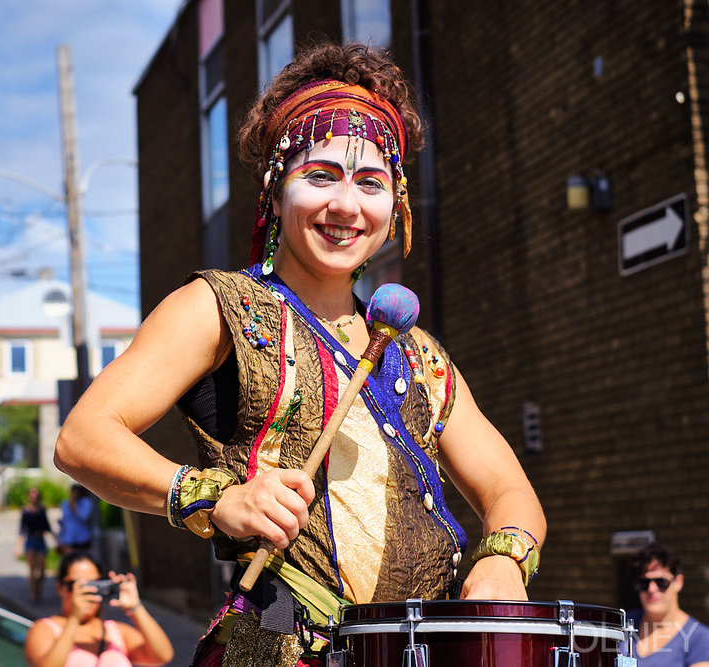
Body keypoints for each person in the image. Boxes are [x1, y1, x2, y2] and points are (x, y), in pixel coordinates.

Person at [54, 41, 546, 664]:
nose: (346, 206)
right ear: (274, 188)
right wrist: (218, 498)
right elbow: (83, 438)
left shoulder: (417, 353)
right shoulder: (218, 306)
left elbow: (508, 486)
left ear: (395, 207)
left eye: (371, 183)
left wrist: (503, 559)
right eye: (320, 176)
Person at [23, 551, 174, 667]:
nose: (87, 592)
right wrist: (74, 618)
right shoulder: (44, 629)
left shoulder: (114, 631)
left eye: (94, 584)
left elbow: (162, 655)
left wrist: (135, 607)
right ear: (60, 587)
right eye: (77, 585)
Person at [627, 543, 709, 665]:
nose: (652, 589)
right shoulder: (622, 623)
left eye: (661, 582)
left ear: (678, 582)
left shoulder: (700, 638)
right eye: (644, 583)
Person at [20, 487, 55, 603]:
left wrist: (56, 540)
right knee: (32, 570)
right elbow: (22, 529)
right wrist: (18, 546)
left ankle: (38, 591)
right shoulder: (26, 511)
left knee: (41, 571)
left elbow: (47, 526)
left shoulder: (42, 510)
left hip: (40, 540)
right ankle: (33, 594)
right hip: (30, 540)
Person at [58, 485, 95, 555]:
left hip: (82, 538)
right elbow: (64, 521)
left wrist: (75, 509)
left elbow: (85, 517)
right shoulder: (65, 504)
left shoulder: (85, 503)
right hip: (69, 538)